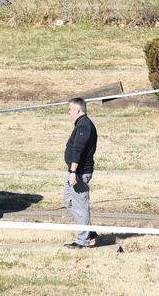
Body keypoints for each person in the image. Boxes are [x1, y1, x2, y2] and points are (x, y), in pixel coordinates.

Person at [63, 97, 98, 249]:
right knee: (68, 201)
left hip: (79, 173)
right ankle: (88, 231)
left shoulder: (84, 126)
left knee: (80, 206)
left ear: (77, 110)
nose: (69, 113)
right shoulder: (82, 124)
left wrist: (73, 172)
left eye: (70, 110)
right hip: (75, 172)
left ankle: (82, 242)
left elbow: (78, 150)